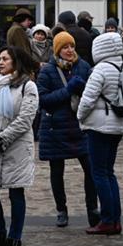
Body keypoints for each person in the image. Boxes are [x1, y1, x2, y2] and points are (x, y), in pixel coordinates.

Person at [36, 32, 99, 229]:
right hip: (56, 128)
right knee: (57, 171)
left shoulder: (83, 66)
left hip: (80, 126)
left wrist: (84, 89)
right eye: (65, 47)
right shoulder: (48, 71)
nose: (69, 50)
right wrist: (68, 90)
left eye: (71, 46)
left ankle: (92, 209)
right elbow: (43, 100)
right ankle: (61, 210)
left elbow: (94, 93)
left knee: (90, 168)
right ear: (57, 50)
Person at [0, 46, 39, 246]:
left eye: (5, 59)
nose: (1, 62)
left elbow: (25, 119)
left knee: (16, 192)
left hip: (17, 147)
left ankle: (15, 238)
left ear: (16, 61)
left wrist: (4, 138)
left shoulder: (28, 86)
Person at [77, 32, 123, 235]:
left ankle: (107, 220)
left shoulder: (100, 69)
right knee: (109, 172)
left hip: (98, 126)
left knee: (99, 173)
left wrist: (80, 117)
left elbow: (87, 99)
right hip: (118, 125)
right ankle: (115, 220)